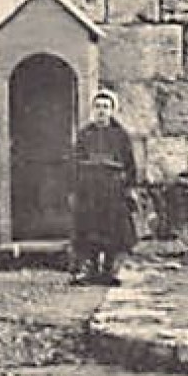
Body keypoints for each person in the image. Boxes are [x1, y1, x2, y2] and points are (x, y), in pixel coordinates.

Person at [71, 89, 139, 287]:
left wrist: (129, 188)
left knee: (113, 232)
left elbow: (130, 164)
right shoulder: (84, 134)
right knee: (89, 230)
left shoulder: (121, 136)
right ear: (93, 110)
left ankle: (110, 269)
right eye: (98, 107)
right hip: (89, 191)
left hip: (113, 191)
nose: (101, 111)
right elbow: (75, 162)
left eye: (106, 107)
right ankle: (89, 269)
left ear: (112, 110)